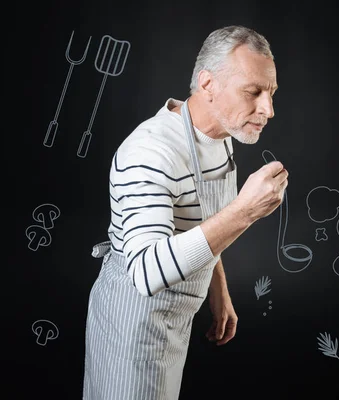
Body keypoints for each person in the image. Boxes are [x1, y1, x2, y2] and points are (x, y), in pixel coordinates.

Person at [83, 25, 287, 399]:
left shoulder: (219, 135)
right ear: (208, 84)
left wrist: (218, 287)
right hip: (134, 323)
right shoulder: (150, 152)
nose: (268, 110)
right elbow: (146, 273)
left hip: (177, 318)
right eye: (253, 92)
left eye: (271, 93)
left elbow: (199, 219)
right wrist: (246, 211)